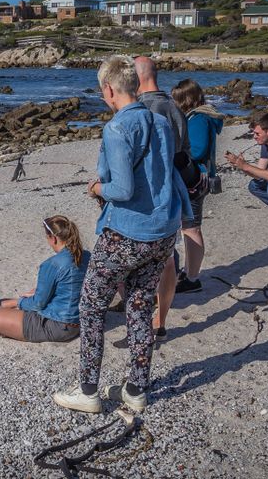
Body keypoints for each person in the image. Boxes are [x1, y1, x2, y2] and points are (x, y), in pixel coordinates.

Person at [53, 55, 190, 414]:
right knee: (141, 306)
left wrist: (98, 189)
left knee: (91, 304)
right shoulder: (160, 121)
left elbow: (123, 189)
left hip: (128, 231)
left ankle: (88, 391)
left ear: (109, 90)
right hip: (163, 229)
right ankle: (136, 389)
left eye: (102, 91)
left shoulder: (116, 129)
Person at [134, 56, 191, 338]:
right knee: (167, 260)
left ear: (136, 78)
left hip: (147, 194)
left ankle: (143, 320)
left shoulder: (142, 109)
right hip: (171, 190)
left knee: (137, 260)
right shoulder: (174, 107)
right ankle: (161, 320)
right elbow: (183, 152)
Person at [0, 215, 89, 342]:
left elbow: (38, 304)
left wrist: (16, 302)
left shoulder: (52, 264)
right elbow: (71, 285)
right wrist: (37, 291)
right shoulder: (86, 256)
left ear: (53, 239)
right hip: (81, 322)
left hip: (59, 326)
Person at [170, 79, 224, 293]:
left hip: (196, 179)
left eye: (176, 98)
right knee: (189, 226)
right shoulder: (201, 116)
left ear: (185, 99)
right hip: (200, 176)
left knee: (191, 228)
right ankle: (190, 271)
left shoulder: (199, 118)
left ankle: (193, 278)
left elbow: (199, 149)